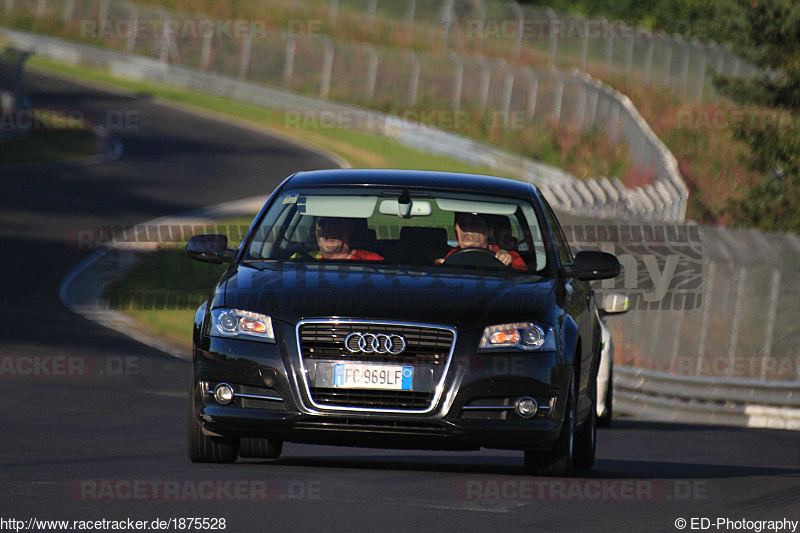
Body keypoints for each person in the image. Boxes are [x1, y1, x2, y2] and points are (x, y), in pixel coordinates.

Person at [435, 212, 527, 271]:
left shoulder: (509, 257)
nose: (467, 228)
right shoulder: (452, 255)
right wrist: (439, 267)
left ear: (489, 231)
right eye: (462, 223)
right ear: (456, 229)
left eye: (475, 223)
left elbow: (524, 281)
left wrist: (509, 263)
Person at [298, 217, 384, 261]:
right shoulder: (300, 260)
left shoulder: (372, 260)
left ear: (349, 228)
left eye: (335, 223)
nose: (328, 229)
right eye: (322, 223)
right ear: (315, 229)